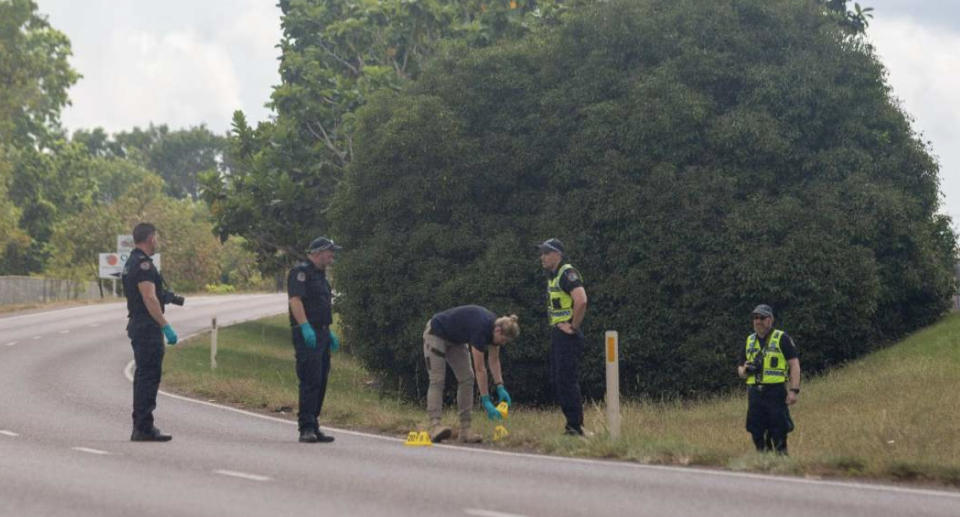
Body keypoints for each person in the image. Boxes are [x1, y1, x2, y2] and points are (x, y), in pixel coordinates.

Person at [423, 305, 519, 443]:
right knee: (437, 380)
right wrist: (486, 400)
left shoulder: (496, 327)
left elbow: (494, 361)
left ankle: (465, 430)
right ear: (498, 330)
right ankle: (435, 426)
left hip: (456, 340)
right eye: (503, 340)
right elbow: (480, 368)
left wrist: (500, 386)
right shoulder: (480, 329)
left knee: (467, 378)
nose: (503, 344)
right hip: (436, 333)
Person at [122, 222, 179, 442]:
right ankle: (144, 427)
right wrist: (165, 325)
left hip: (138, 325)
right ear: (150, 238)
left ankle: (141, 425)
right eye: (155, 237)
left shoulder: (131, 262)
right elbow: (148, 297)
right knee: (148, 376)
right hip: (147, 327)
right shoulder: (144, 265)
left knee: (143, 375)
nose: (156, 241)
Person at [288, 236, 342, 443]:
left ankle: (314, 423)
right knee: (310, 379)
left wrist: (327, 332)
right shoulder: (301, 273)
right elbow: (295, 300)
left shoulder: (320, 276)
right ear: (318, 252)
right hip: (306, 333)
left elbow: (321, 306)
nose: (332, 256)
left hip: (321, 332)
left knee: (321, 380)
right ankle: (306, 427)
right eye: (330, 252)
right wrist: (305, 327)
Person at [537, 238, 589, 436]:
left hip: (567, 335)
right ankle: (572, 425)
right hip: (559, 334)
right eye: (541, 253)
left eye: (546, 253)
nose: (542, 257)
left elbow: (581, 300)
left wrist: (573, 326)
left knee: (567, 380)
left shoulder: (567, 273)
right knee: (560, 380)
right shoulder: (554, 275)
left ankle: (575, 426)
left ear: (557, 254)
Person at [737, 304, 801, 454]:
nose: (758, 321)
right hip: (755, 392)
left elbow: (794, 365)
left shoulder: (782, 338)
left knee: (778, 429)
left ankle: (781, 460)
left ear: (770, 320)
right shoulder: (749, 340)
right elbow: (740, 369)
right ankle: (763, 460)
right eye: (755, 318)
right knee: (756, 430)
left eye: (762, 318)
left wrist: (794, 390)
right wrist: (745, 370)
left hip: (775, 391)